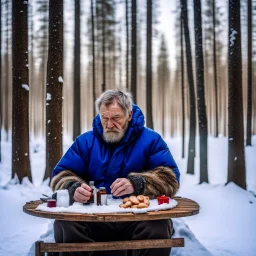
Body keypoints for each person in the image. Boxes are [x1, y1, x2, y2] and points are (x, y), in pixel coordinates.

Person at [51, 89, 180, 256]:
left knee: (158, 225)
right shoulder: (85, 142)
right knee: (65, 224)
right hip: (93, 218)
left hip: (138, 217)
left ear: (129, 114)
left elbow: (171, 178)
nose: (109, 124)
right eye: (105, 118)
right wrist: (72, 187)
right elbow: (61, 175)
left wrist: (139, 183)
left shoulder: (152, 140)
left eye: (116, 118)